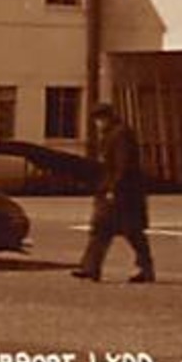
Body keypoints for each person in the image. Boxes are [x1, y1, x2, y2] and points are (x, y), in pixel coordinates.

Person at [72, 103, 155, 284]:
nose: (98, 124)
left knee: (130, 232)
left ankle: (144, 268)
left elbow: (122, 165)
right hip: (116, 191)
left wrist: (113, 188)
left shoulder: (120, 135)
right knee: (102, 229)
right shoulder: (114, 134)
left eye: (99, 120)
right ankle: (90, 267)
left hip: (123, 193)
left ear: (105, 118)